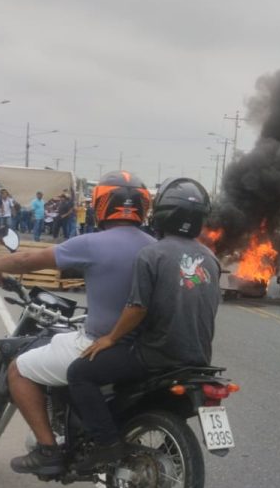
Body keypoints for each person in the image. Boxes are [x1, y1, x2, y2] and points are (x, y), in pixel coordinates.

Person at [0, 171, 155, 475]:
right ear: (143, 206)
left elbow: (26, 262)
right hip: (145, 350)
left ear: (101, 204)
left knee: (18, 369)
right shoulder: (156, 247)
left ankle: (48, 450)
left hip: (99, 343)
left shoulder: (91, 244)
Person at [68, 177, 219, 470]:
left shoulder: (152, 254)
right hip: (199, 358)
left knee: (79, 373)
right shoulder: (211, 259)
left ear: (160, 214)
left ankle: (106, 445)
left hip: (157, 354)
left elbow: (137, 308)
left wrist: (110, 338)